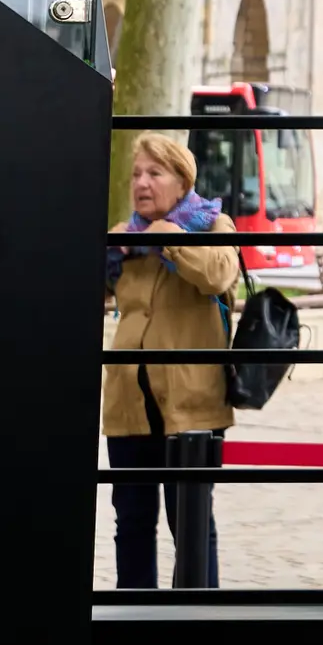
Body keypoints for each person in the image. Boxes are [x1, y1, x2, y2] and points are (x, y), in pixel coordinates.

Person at [104, 132, 243, 590]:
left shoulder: (212, 225)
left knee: (192, 525)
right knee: (132, 524)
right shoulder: (125, 239)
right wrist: (105, 252)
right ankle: (134, 621)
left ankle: (198, 623)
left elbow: (219, 274)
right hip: (128, 406)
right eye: (136, 174)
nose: (142, 183)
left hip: (191, 406)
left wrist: (172, 239)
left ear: (182, 182)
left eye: (154, 173)